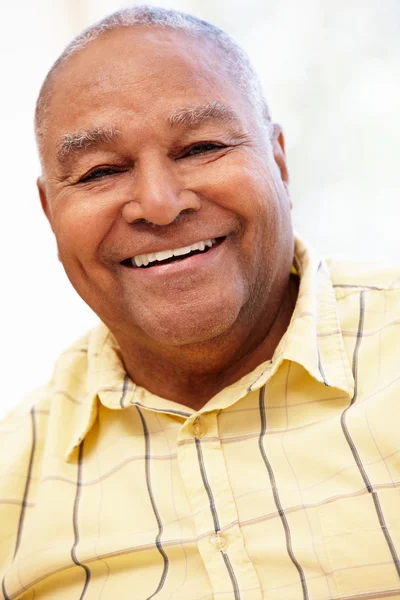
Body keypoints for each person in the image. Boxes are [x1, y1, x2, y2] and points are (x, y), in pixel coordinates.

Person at [1, 5, 400, 599]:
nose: (159, 204)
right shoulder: (14, 479)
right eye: (99, 172)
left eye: (200, 147)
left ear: (279, 160)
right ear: (48, 212)